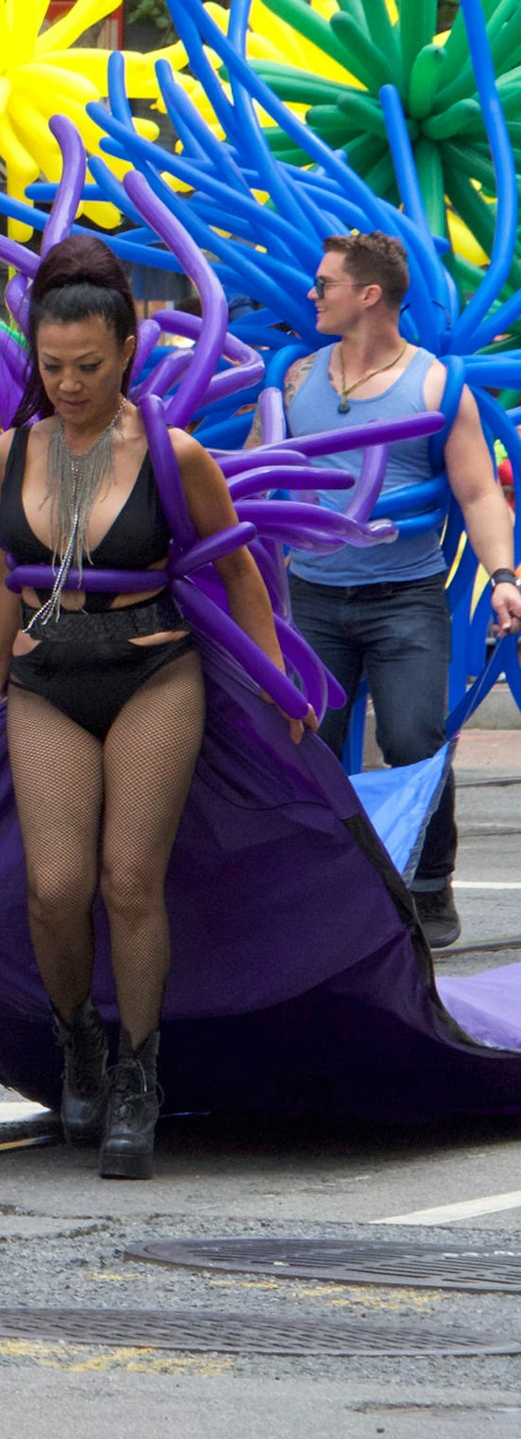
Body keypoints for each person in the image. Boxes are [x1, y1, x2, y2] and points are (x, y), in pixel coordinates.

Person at [0, 235, 288, 1179]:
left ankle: (139, 1077)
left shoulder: (175, 454)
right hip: (46, 680)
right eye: (52, 366)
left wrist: (273, 681)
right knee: (55, 888)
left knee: (128, 880)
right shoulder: (6, 452)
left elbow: (237, 566)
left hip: (153, 670)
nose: (68, 383)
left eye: (88, 366)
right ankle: (79, 1046)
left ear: (129, 350)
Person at [275, 229, 521, 948]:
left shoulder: (437, 385)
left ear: (369, 295)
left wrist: (504, 578)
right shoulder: (294, 378)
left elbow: (479, 494)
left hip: (403, 597)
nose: (313, 293)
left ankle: (427, 883)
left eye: (326, 283)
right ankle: (316, 882)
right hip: (312, 596)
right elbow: (257, 476)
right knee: (304, 742)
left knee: (417, 737)